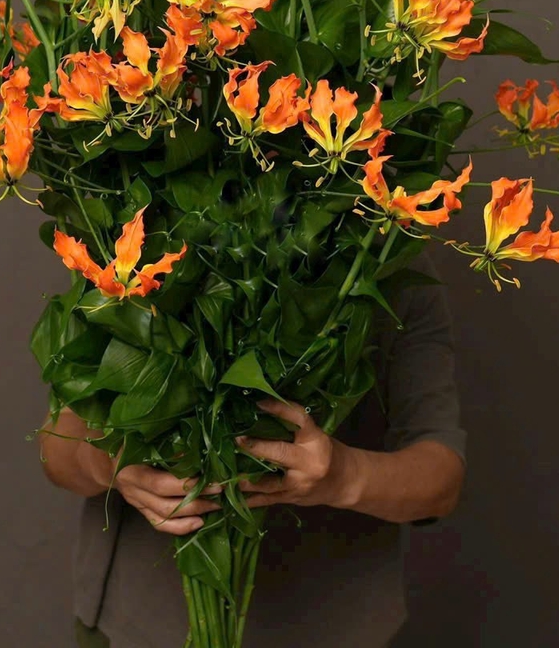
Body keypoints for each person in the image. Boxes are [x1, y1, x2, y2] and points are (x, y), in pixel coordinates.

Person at [39, 253, 467, 648]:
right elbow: (57, 445)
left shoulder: (393, 256)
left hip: (331, 625)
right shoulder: (136, 238)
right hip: (136, 623)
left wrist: (343, 475)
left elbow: (441, 480)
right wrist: (109, 461)